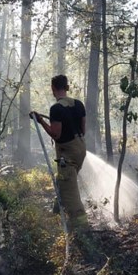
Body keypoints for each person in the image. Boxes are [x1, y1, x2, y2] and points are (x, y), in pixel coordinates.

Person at [31, 75, 88, 229]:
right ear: (66, 87)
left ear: (53, 89)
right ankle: (57, 213)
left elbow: (56, 134)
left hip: (68, 153)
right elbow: (83, 129)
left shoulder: (56, 109)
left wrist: (41, 121)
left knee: (70, 192)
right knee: (63, 180)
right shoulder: (78, 104)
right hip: (81, 149)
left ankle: (81, 229)